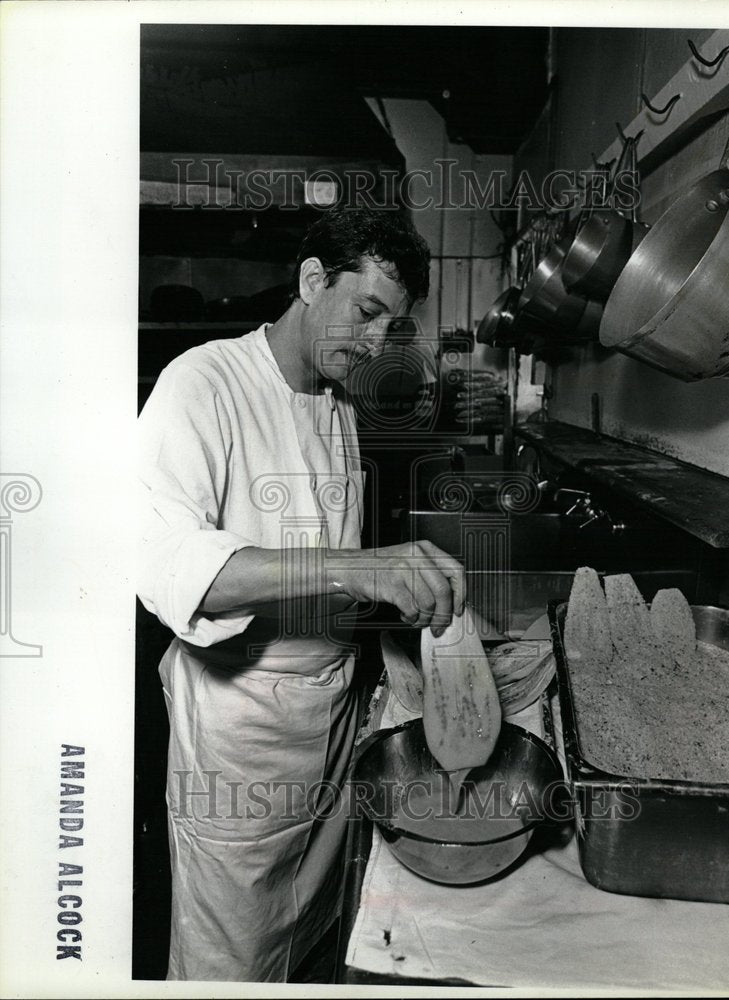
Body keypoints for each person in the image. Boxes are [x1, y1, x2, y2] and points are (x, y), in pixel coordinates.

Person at [137, 205, 466, 982]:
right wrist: (356, 568)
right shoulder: (203, 383)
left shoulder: (336, 400)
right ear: (312, 280)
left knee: (312, 935)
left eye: (395, 326)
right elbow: (167, 564)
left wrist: (392, 613)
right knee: (234, 959)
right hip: (243, 739)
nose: (378, 342)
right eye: (367, 311)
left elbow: (332, 559)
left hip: (332, 716)